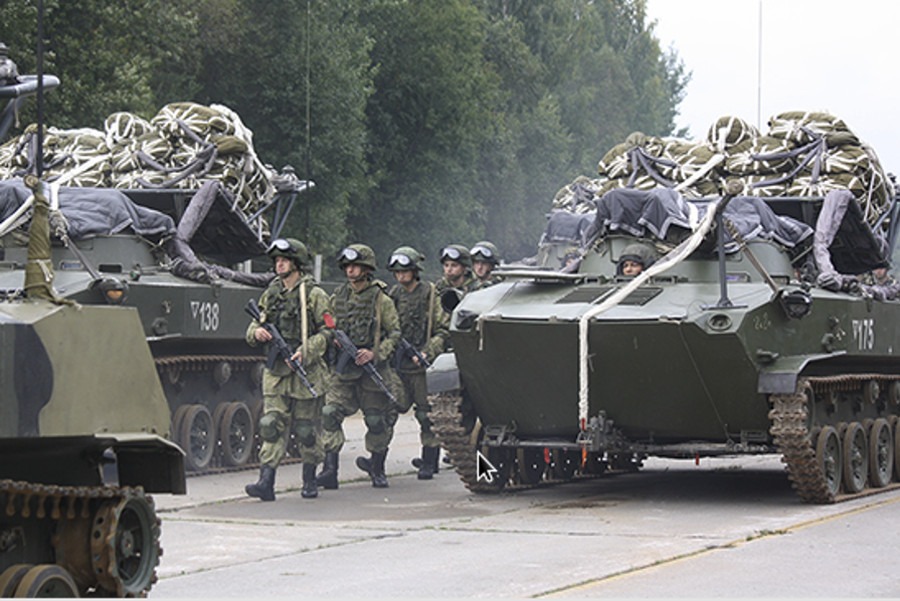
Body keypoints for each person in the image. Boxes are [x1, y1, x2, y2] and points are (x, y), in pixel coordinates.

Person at [244, 238, 333, 501]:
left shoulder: (315, 295)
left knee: (306, 429)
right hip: (276, 372)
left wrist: (306, 352)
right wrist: (256, 332)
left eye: (284, 260)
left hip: (305, 370)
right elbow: (254, 323)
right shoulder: (271, 294)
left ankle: (309, 479)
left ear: (296, 263)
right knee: (271, 425)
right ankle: (266, 482)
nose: (278, 264)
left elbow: (329, 331)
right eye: (276, 260)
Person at [318, 244, 402, 489]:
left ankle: (377, 468)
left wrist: (375, 353)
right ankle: (330, 470)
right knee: (329, 413)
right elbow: (327, 322)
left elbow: (394, 333)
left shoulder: (381, 300)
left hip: (371, 370)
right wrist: (331, 337)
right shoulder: (338, 297)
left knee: (376, 420)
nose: (351, 270)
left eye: (356, 266)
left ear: (366, 269)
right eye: (348, 266)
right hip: (343, 372)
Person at [387, 246, 450, 479]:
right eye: (397, 271)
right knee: (388, 410)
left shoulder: (430, 294)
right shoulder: (393, 296)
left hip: (421, 364)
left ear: (415, 271)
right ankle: (377, 462)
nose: (401, 275)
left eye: (405, 271)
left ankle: (429, 460)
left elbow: (443, 330)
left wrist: (427, 352)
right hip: (398, 364)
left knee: (426, 415)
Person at [435, 244, 481, 313]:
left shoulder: (477, 289)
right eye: (446, 265)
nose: (449, 269)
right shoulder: (438, 288)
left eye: (454, 265)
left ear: (464, 268)